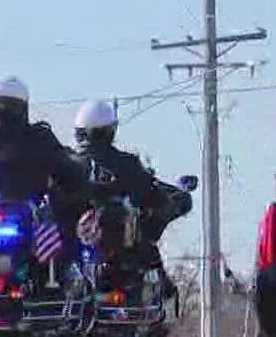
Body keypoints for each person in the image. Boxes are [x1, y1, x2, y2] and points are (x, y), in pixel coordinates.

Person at [0, 75, 93, 281]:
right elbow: (69, 172)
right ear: (21, 106)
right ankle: (54, 287)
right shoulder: (40, 137)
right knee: (61, 254)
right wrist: (76, 185)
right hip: (22, 220)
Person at [70, 98, 191, 281]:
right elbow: (154, 195)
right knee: (147, 258)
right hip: (122, 262)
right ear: (110, 131)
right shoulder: (126, 164)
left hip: (75, 261)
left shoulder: (68, 165)